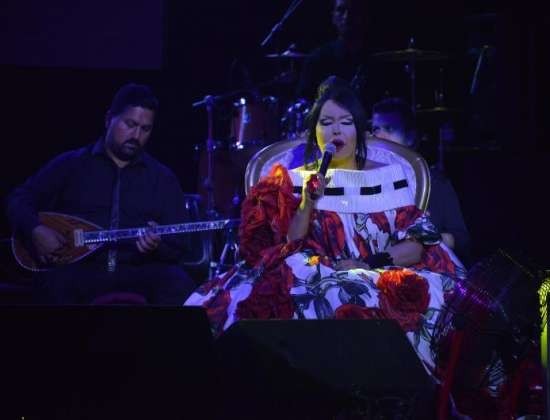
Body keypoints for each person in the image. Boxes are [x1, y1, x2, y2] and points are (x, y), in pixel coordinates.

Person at [186, 77, 466, 375]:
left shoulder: (389, 176)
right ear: (314, 131)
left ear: (359, 131)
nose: (336, 130)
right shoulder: (295, 180)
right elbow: (289, 244)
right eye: (326, 122)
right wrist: (307, 202)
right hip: (319, 271)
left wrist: (366, 263)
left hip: (379, 267)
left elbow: (416, 244)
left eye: (346, 122)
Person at [7, 83, 195, 304]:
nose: (136, 136)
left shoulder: (162, 178)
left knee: (178, 282)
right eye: (130, 124)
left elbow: (180, 245)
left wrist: (157, 246)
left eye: (145, 129)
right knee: (53, 285)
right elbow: (19, 199)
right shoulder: (72, 165)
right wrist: (35, 229)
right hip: (80, 269)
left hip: (135, 270)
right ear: (108, 120)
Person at [371, 97, 472, 265]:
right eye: (375, 129)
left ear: (410, 137)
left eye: (389, 129)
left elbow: (461, 240)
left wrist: (427, 240)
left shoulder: (434, 182)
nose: (379, 137)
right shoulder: (366, 182)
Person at [296, 0, 374, 103]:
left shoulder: (378, 57)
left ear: (363, 16)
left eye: (353, 10)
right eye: (341, 10)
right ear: (333, 17)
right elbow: (303, 102)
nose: (346, 16)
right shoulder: (316, 59)